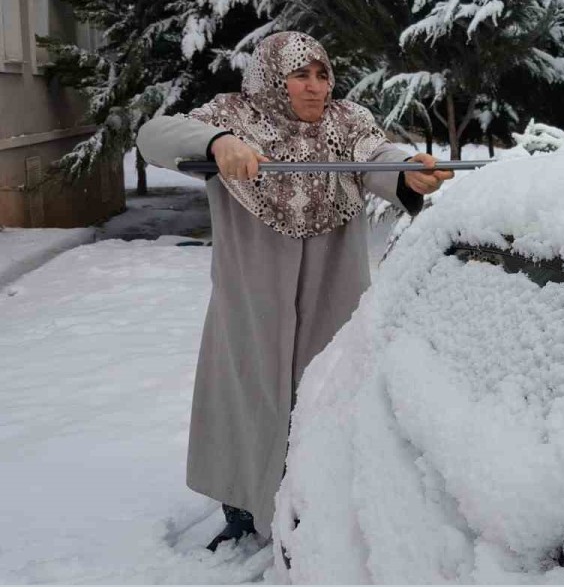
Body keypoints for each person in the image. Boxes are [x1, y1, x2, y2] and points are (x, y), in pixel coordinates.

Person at [136, 31, 453, 551]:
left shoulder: (346, 125)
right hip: (251, 300)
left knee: (325, 398)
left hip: (334, 290)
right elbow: (154, 135)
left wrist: (407, 173)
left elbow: (379, 152)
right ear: (271, 79)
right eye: (300, 75)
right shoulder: (232, 117)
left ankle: (316, 508)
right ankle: (241, 510)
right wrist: (216, 144)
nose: (315, 88)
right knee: (247, 399)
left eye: (322, 75)